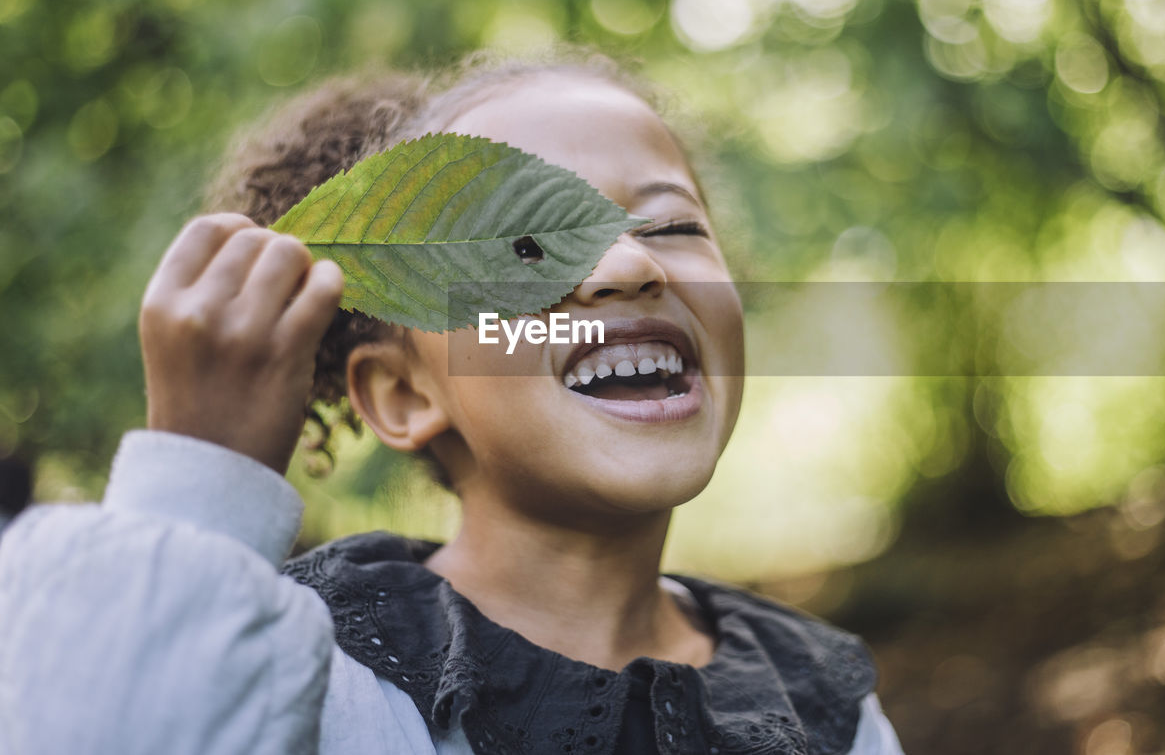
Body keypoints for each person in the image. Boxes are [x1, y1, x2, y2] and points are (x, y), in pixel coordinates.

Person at [0, 54, 904, 755]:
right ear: (403, 392)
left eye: (670, 225)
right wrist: (199, 484)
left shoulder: (821, 701)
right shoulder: (311, 672)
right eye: (526, 243)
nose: (632, 265)